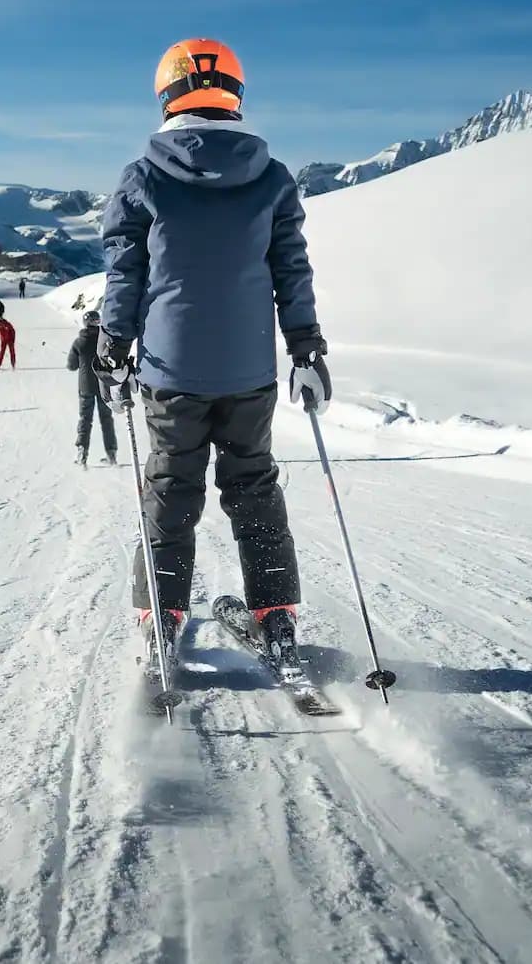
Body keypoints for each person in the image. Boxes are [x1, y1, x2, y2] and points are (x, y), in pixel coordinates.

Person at [97, 37, 332, 685]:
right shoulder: (271, 175)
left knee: (172, 490)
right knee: (253, 486)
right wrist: (306, 347)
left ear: (166, 95)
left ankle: (162, 624)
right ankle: (277, 618)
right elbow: (291, 269)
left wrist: (114, 345)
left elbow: (126, 274)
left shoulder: (141, 176)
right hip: (249, 369)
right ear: (234, 93)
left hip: (171, 371)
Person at [65, 309, 117, 467]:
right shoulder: (105, 341)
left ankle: (82, 453)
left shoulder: (79, 342)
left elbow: (71, 366)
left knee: (85, 419)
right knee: (106, 419)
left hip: (86, 387)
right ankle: (111, 454)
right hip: (104, 385)